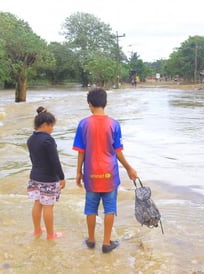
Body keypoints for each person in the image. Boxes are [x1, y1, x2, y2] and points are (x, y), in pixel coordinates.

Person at [73, 87, 138, 253]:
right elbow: (118, 151)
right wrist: (129, 168)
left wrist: (79, 172)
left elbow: (81, 151)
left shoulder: (83, 124)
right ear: (106, 103)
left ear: (90, 104)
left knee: (90, 209)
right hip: (109, 173)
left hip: (91, 173)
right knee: (110, 208)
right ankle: (107, 242)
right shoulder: (114, 124)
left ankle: (91, 239)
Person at [27, 106, 66, 240]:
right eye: (51, 126)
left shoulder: (31, 139)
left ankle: (37, 230)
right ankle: (51, 235)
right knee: (48, 207)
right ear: (44, 125)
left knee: (37, 203)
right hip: (48, 179)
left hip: (34, 177)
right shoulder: (48, 140)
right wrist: (61, 177)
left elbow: (33, 159)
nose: (52, 129)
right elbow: (55, 161)